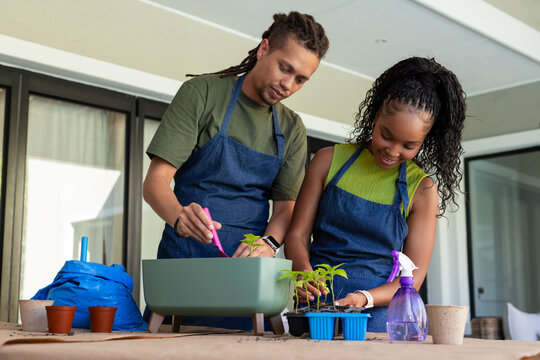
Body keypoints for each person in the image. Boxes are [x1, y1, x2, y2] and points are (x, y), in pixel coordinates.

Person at [143, 12, 329, 329]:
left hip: (249, 280)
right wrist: (179, 216)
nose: (288, 85)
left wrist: (268, 244)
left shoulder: (292, 128)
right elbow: (155, 183)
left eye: (300, 79)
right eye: (285, 68)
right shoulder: (202, 94)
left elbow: (286, 209)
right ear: (264, 49)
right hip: (186, 269)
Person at [284, 57, 466, 332]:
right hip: (317, 307)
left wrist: (365, 298)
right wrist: (303, 271)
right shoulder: (326, 161)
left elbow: (412, 279)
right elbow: (297, 236)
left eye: (409, 145)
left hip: (380, 318)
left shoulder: (422, 190)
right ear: (376, 114)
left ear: (425, 141)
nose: (393, 151)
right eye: (386, 135)